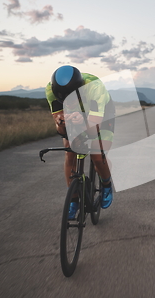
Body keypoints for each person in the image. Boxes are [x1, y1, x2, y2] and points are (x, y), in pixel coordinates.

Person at [45, 65, 115, 219]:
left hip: (102, 114)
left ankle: (106, 184)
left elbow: (94, 129)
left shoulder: (94, 88)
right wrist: (61, 123)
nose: (67, 104)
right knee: (69, 151)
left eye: (71, 99)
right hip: (77, 115)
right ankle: (74, 200)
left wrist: (83, 123)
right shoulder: (50, 90)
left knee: (97, 154)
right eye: (63, 100)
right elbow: (61, 131)